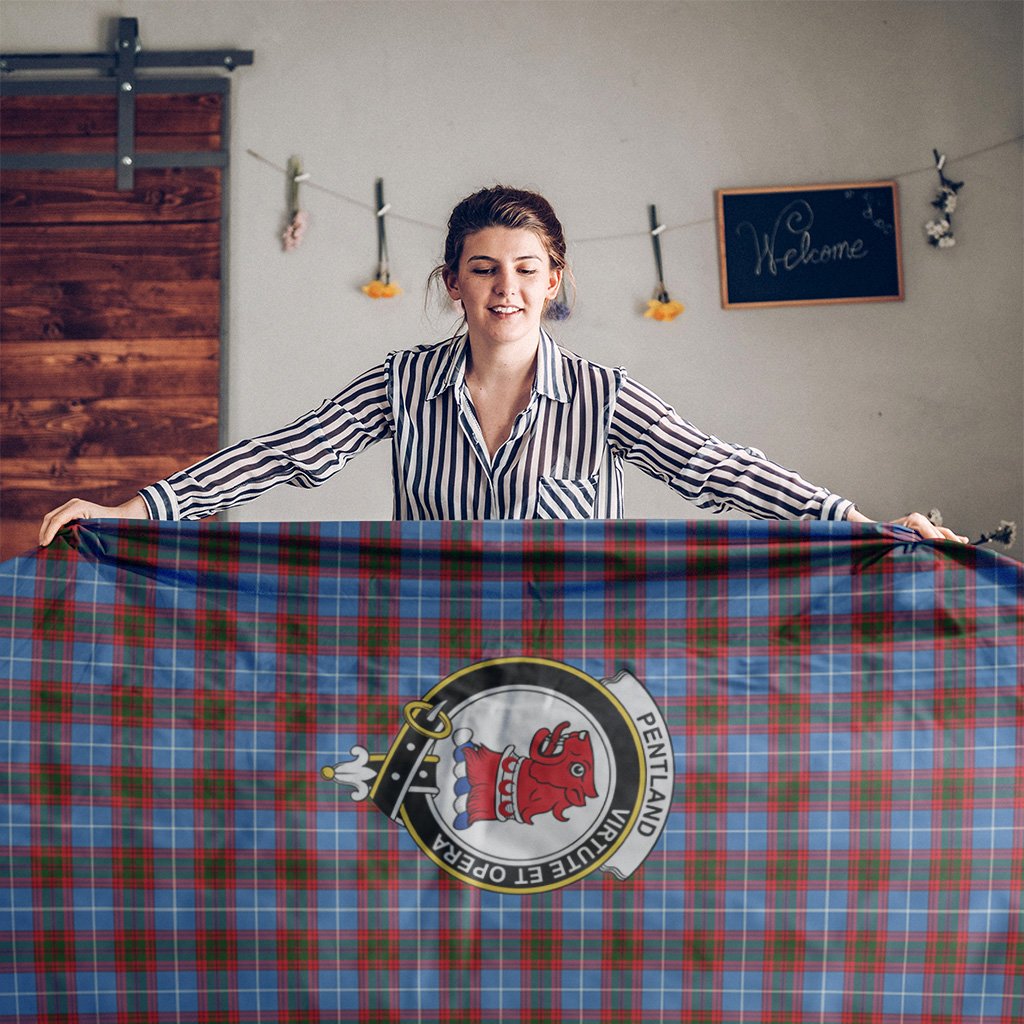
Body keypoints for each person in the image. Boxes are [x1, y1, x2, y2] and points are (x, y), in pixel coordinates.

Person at [38, 186, 967, 546]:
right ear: (453, 283)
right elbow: (284, 455)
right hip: (433, 659)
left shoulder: (604, 396)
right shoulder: (402, 382)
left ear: (555, 280)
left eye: (526, 271)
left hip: (580, 665)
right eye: (484, 270)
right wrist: (136, 511)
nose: (506, 289)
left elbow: (718, 468)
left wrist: (858, 524)